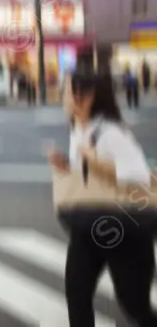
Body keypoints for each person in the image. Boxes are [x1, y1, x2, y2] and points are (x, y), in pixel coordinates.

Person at [47, 71, 157, 326]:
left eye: (66, 92)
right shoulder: (79, 128)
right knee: (77, 295)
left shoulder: (111, 133)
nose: (63, 99)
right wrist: (66, 164)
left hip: (125, 231)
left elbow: (140, 177)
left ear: (85, 97)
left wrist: (91, 158)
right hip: (89, 226)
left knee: (135, 307)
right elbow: (89, 176)